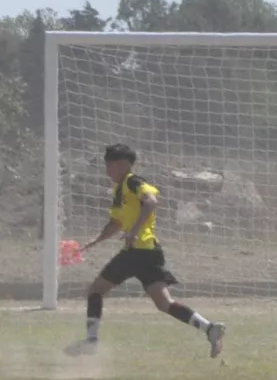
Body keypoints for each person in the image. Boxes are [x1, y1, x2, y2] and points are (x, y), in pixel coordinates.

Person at [64, 144, 226, 358]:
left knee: (95, 291)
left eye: (109, 166)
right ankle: (210, 328)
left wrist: (135, 231)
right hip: (148, 252)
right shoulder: (119, 189)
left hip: (137, 252)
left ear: (122, 165)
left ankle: (91, 341)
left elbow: (151, 201)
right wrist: (92, 242)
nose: (107, 171)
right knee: (164, 303)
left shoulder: (133, 182)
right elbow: (115, 223)